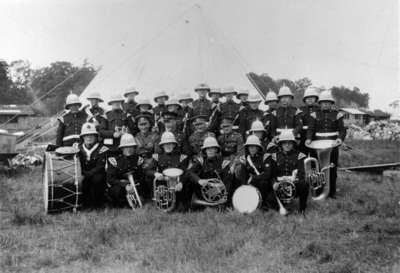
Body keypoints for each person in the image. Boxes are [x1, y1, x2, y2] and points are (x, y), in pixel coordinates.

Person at [306, 90, 346, 198]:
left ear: (331, 104)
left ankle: (331, 192)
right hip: (316, 145)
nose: (325, 104)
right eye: (323, 102)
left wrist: (339, 139)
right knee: (316, 169)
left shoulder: (338, 115)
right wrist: (308, 139)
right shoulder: (314, 115)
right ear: (320, 104)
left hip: (332, 146)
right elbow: (310, 129)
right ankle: (318, 191)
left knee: (332, 168)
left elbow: (342, 130)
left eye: (328, 102)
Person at [144, 132, 191, 211]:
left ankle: (181, 202)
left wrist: (181, 183)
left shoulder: (182, 157)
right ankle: (155, 200)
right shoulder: (157, 157)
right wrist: (156, 173)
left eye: (170, 143)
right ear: (162, 145)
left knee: (181, 208)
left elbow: (186, 173)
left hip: (178, 186)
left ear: (174, 145)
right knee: (148, 178)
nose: (168, 145)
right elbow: (148, 170)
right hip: (164, 184)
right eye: (166, 144)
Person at [266, 130, 309, 214]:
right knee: (270, 200)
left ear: (293, 144)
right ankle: (283, 205)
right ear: (281, 144)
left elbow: (302, 174)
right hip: (279, 186)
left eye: (289, 143)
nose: (287, 145)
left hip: (294, 186)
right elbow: (271, 174)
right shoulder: (274, 156)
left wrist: (292, 180)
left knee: (304, 184)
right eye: (284, 143)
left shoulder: (300, 156)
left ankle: (302, 209)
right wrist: (274, 183)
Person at [187, 136, 233, 207]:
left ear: (216, 150)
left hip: (219, 193)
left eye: (212, 148)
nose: (210, 150)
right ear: (205, 150)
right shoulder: (201, 161)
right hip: (204, 193)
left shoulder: (224, 163)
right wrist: (199, 180)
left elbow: (228, 182)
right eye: (208, 149)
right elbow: (190, 172)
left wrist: (224, 195)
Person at [106, 133, 145, 208]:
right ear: (122, 148)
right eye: (126, 147)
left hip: (135, 185)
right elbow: (110, 179)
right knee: (116, 191)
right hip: (121, 185)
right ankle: (122, 203)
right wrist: (125, 185)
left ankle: (135, 200)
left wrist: (133, 186)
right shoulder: (115, 160)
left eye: (131, 147)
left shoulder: (138, 159)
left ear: (134, 148)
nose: (129, 149)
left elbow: (141, 177)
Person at [237, 135, 275, 210]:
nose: (252, 148)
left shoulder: (265, 157)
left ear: (258, 147)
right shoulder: (246, 159)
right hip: (251, 184)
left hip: (265, 187)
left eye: (254, 146)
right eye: (250, 146)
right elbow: (243, 176)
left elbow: (268, 174)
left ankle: (264, 204)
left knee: (264, 183)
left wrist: (254, 178)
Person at [78, 123, 108, 209]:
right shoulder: (78, 148)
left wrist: (86, 175)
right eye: (86, 135)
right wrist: (81, 174)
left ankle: (98, 204)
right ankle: (84, 203)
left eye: (91, 135)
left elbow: (100, 167)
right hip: (82, 173)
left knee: (97, 180)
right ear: (82, 137)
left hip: (97, 174)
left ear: (96, 136)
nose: (89, 137)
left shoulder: (102, 148)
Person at [299, 86, 320, 155]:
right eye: (308, 98)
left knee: (315, 156)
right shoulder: (300, 110)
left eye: (312, 98)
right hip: (303, 136)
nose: (310, 99)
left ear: (316, 99)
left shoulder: (319, 109)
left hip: (316, 136)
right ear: (305, 100)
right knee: (302, 156)